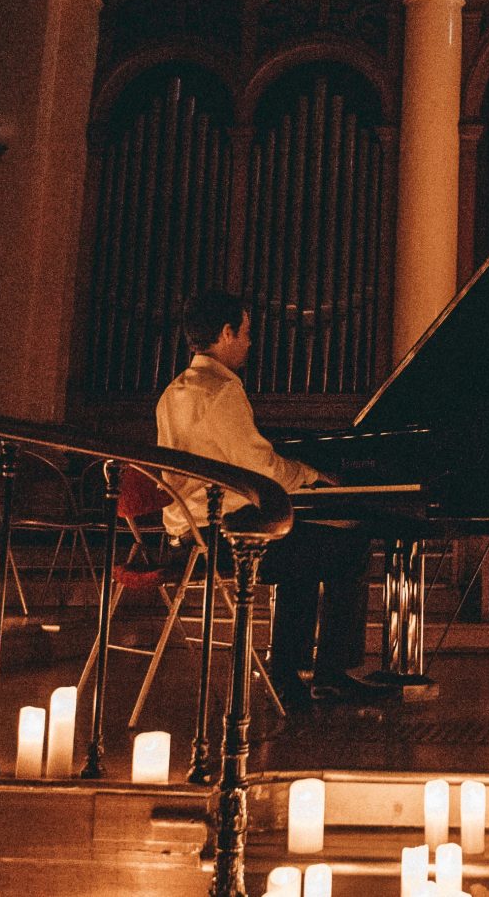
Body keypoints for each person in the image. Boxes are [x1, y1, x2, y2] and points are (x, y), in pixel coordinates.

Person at [155, 288, 388, 705]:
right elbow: (263, 469)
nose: (250, 342)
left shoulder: (174, 391)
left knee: (302, 546)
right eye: (245, 333)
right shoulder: (223, 391)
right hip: (226, 538)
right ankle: (331, 671)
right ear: (226, 333)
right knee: (350, 547)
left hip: (189, 536)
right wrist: (315, 475)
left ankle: (290, 675)